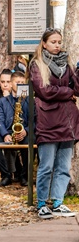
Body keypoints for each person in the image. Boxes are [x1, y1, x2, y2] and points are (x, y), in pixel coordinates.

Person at [29, 28, 79, 219]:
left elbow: (77, 89)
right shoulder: (37, 64)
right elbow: (44, 91)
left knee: (63, 166)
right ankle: (42, 203)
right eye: (53, 42)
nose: (57, 45)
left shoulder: (67, 64)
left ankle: (58, 201)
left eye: (59, 42)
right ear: (44, 43)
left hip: (68, 122)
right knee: (46, 166)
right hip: (48, 122)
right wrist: (67, 92)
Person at [0, 71, 29, 187]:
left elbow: (34, 120)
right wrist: (5, 134)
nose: (21, 85)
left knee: (29, 145)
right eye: (18, 82)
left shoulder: (29, 100)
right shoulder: (2, 101)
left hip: (23, 132)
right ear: (11, 84)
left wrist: (25, 131)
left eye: (23, 83)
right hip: (7, 131)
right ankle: (6, 175)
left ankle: (24, 176)